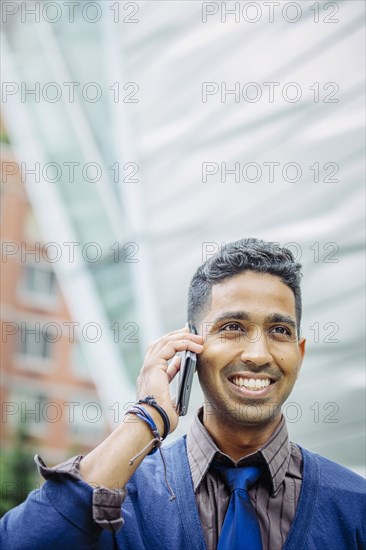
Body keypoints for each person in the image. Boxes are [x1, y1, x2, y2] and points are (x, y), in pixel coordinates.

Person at [1, 238, 365, 550]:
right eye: (233, 327)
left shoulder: (354, 504)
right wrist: (146, 418)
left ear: (299, 354)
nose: (258, 354)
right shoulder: (118, 499)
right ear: (191, 347)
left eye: (279, 331)